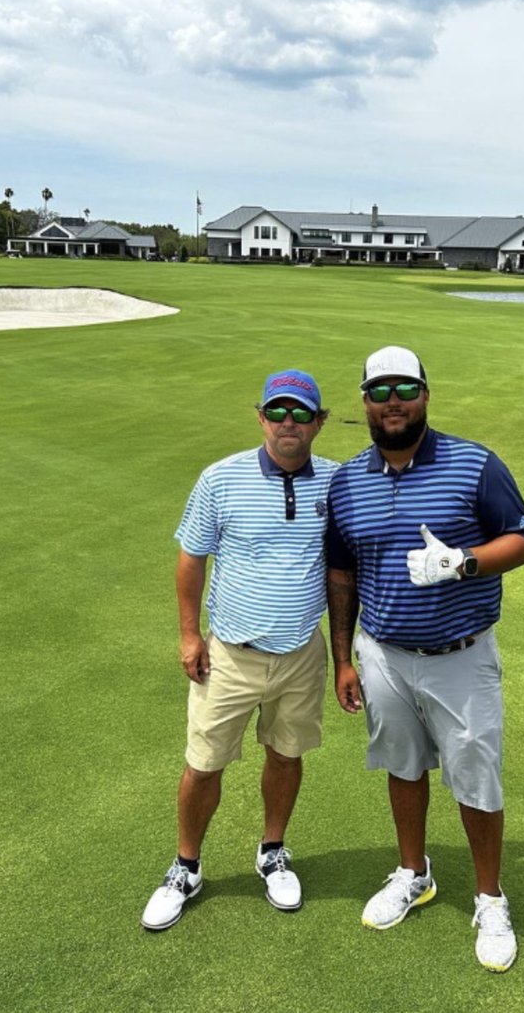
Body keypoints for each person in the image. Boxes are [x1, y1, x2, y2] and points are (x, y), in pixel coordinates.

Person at [326, 345, 524, 972]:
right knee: (404, 764)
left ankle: (490, 897)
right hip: (383, 653)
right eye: (380, 392)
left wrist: (463, 561)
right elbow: (341, 575)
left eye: (405, 390)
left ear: (425, 393)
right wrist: (344, 658)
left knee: (475, 776)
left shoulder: (474, 464)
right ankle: (413, 873)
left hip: (460, 655)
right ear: (365, 401)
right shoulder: (347, 480)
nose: (393, 403)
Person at [141, 369, 338, 931]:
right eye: (277, 412)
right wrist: (188, 633)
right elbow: (191, 557)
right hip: (229, 651)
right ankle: (186, 867)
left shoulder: (337, 481)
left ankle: (273, 850)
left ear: (319, 422)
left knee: (286, 754)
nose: (288, 423)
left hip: (302, 652)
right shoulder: (220, 479)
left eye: (301, 414)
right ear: (261, 417)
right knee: (203, 765)